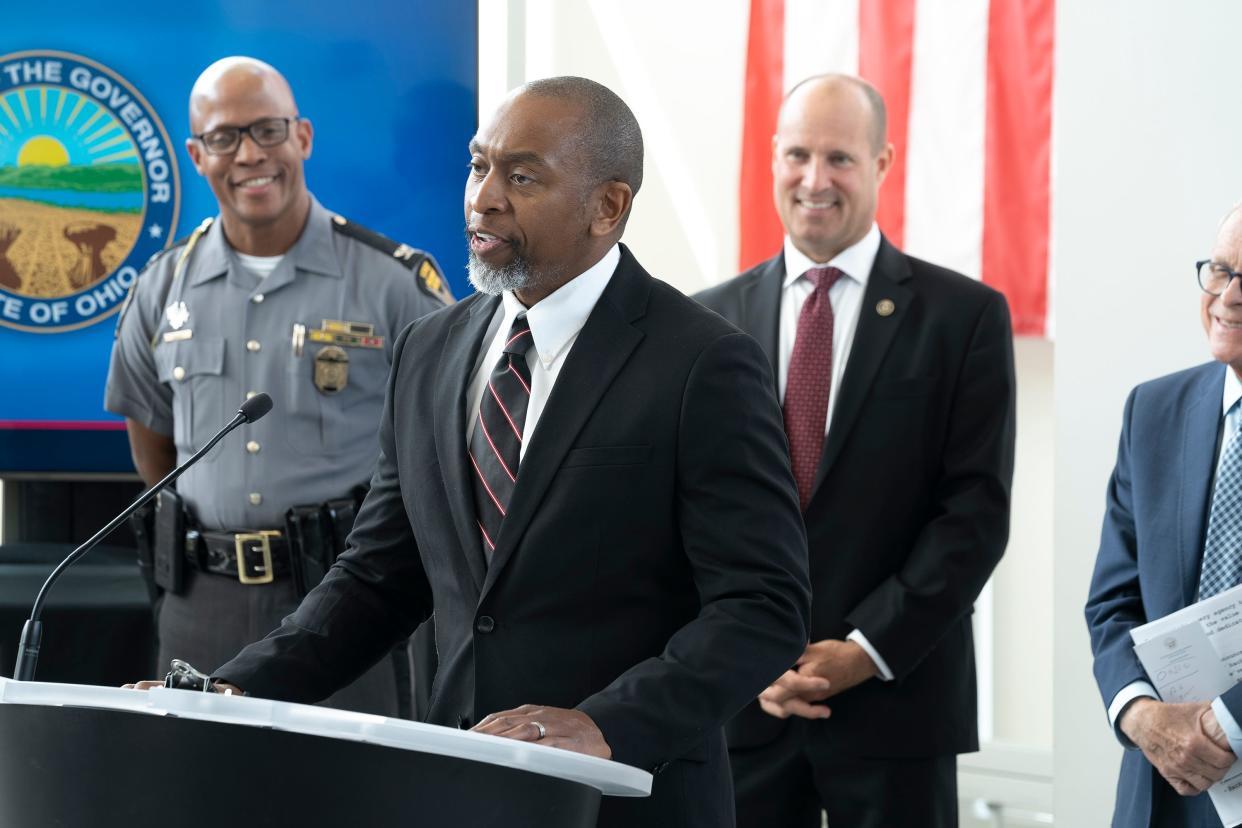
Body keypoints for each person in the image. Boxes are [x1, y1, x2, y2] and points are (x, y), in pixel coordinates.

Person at [167, 76, 815, 827]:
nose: (484, 197)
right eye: (478, 166)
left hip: (625, 799)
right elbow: (379, 577)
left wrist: (604, 725)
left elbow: (761, 608)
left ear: (608, 207)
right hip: (460, 789)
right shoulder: (430, 348)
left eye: (522, 175)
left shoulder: (703, 363)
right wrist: (235, 692)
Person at [695, 73, 1016, 828]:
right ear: (773, 158)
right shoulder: (707, 321)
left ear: (882, 163)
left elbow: (973, 513)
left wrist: (864, 649)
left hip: (897, 708)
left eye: (839, 158)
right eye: (798, 154)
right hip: (745, 709)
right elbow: (693, 514)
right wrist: (747, 654)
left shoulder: (963, 318)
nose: (815, 180)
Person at [105, 57, 452, 716]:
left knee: (351, 802)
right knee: (195, 796)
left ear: (303, 137)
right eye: (224, 137)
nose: (249, 155)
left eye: (267, 130)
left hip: (347, 607)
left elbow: (443, 452)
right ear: (196, 155)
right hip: (199, 604)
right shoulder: (160, 285)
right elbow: (154, 449)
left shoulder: (395, 283)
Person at [1085, 206, 1242, 827]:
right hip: (1162, 788)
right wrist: (1142, 716)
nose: (1228, 297)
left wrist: (1224, 722)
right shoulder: (1153, 410)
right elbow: (1112, 602)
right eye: (1221, 272)